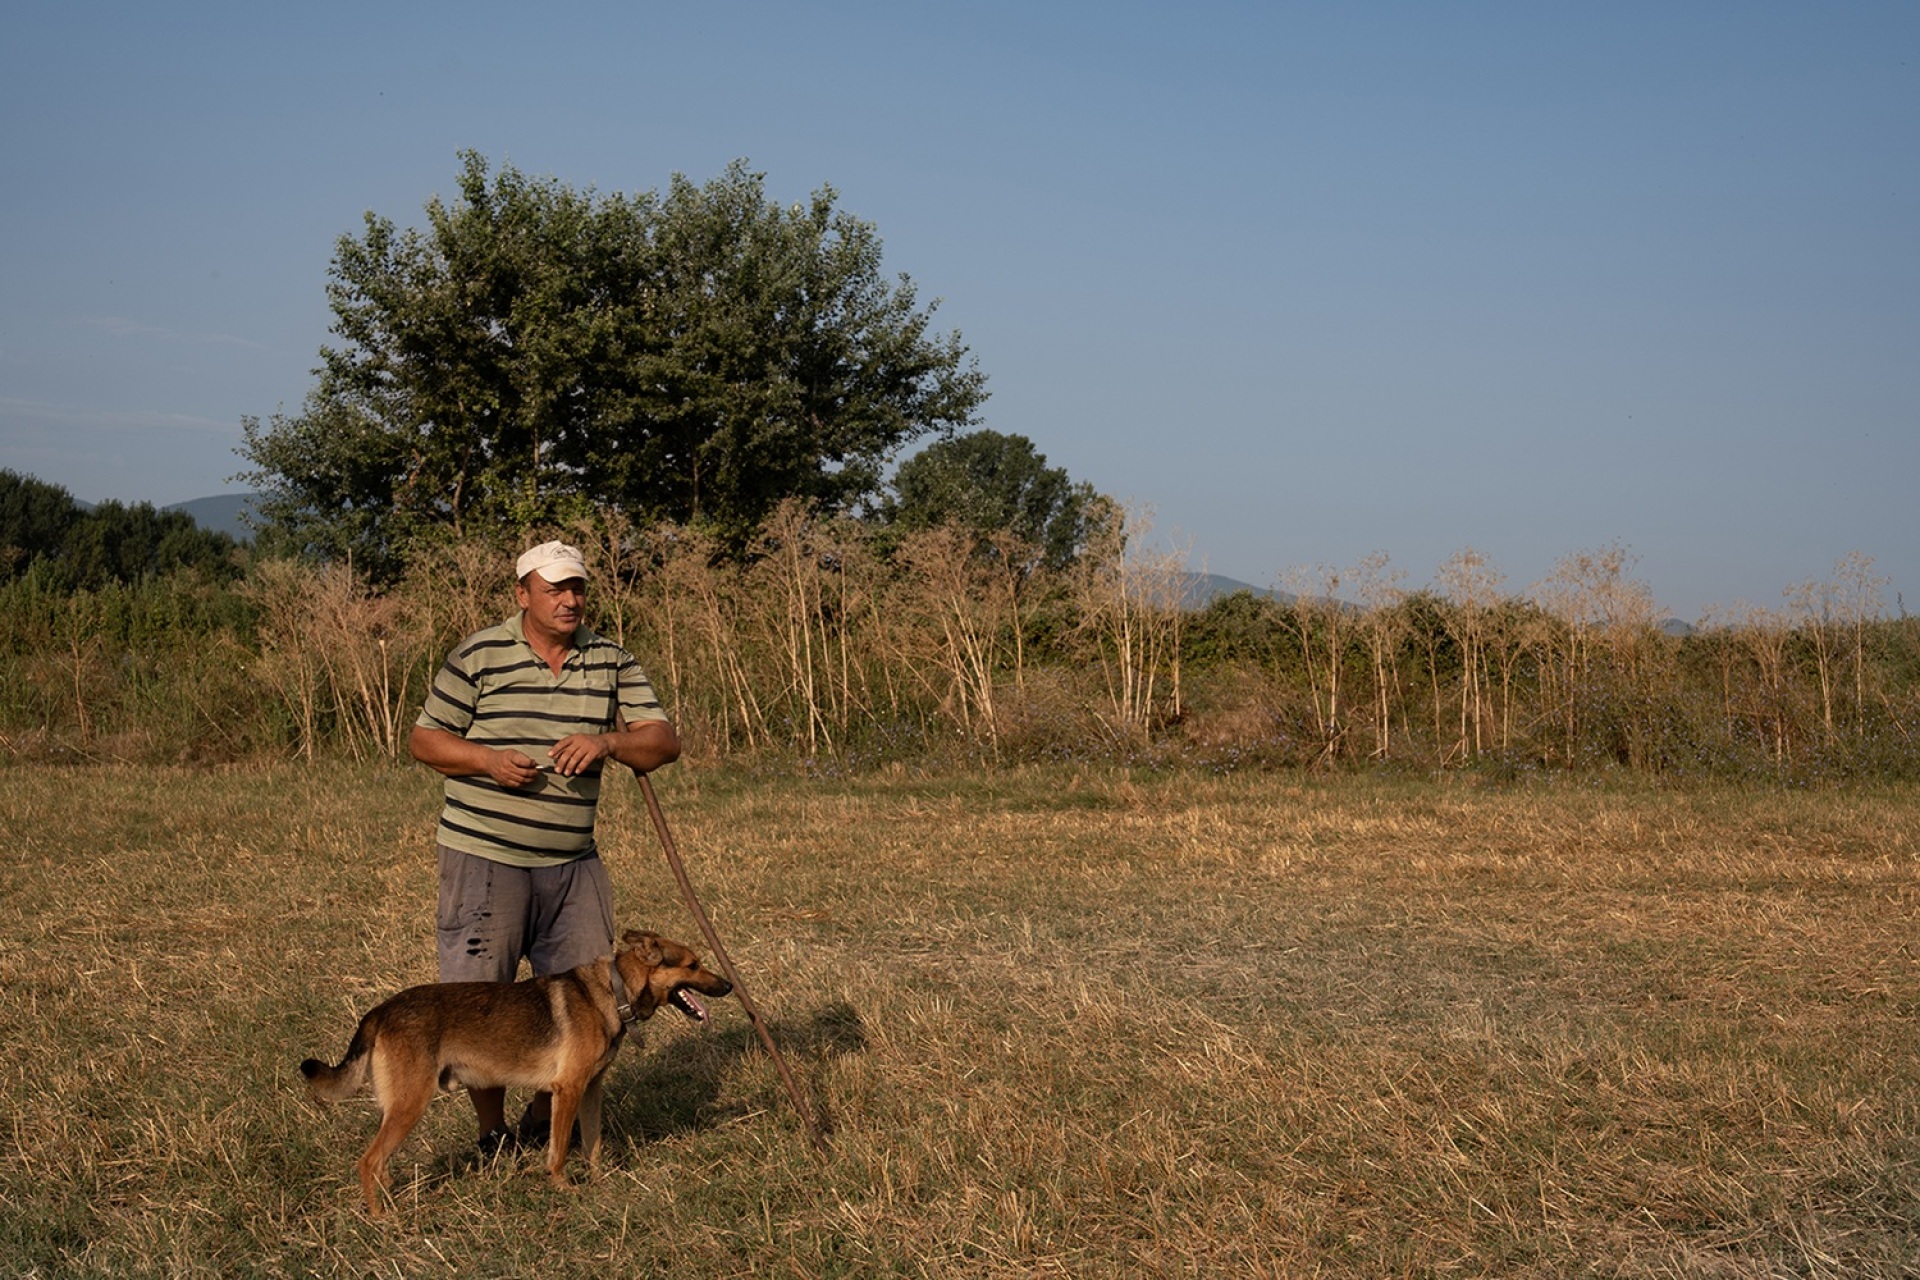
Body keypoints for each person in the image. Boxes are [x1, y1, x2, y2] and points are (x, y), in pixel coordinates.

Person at [408, 539, 681, 1154]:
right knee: (479, 997)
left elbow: (663, 741)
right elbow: (425, 741)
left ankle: (543, 1120)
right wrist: (487, 761)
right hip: (484, 855)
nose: (568, 600)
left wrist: (608, 743)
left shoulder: (609, 658)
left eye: (577, 588)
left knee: (591, 993)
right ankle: (491, 1133)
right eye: (554, 588)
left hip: (573, 862)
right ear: (522, 593)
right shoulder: (480, 653)